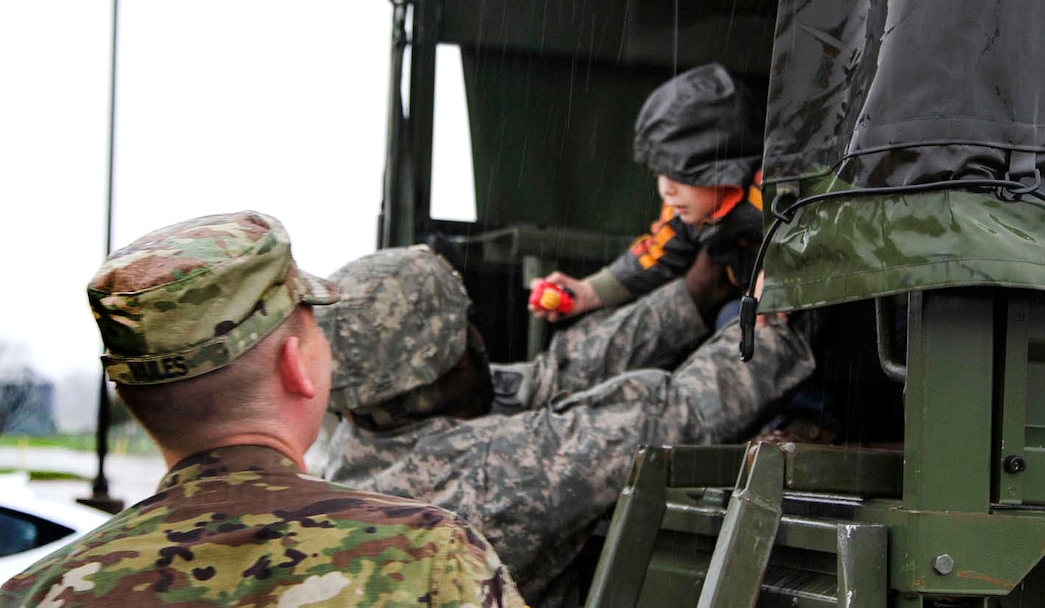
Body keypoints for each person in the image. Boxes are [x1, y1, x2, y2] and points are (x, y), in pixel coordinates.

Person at [0, 211, 524, 607]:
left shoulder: (32, 594)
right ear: (296, 366)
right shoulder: (431, 557)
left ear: (130, 397)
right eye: (314, 327)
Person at [320, 245, 815, 607]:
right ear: (447, 367)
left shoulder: (364, 438)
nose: (476, 335)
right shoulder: (495, 473)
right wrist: (775, 316)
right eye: (462, 328)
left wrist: (694, 292)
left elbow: (552, 375)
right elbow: (679, 412)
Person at [530, 62, 765, 329]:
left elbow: (816, 242)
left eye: (681, 175)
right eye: (659, 174)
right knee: (731, 320)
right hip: (748, 310)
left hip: (803, 320)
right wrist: (586, 292)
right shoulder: (685, 210)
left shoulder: (773, 196)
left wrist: (782, 280)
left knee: (737, 322)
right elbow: (655, 255)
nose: (667, 189)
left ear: (723, 167)